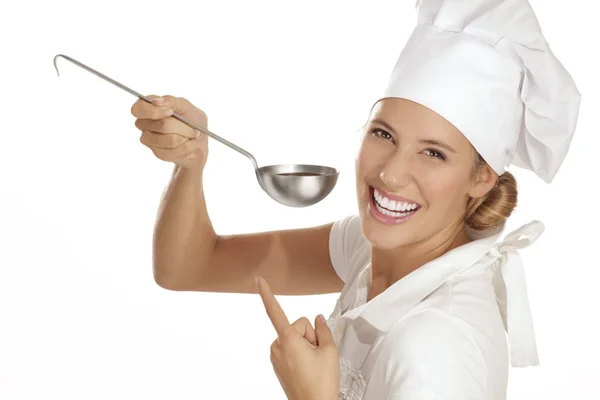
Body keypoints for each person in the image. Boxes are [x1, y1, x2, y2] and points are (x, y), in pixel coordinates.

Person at [131, 0, 581, 398]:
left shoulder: (434, 343)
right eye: (383, 134)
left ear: (482, 177)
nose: (390, 173)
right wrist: (190, 163)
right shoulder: (374, 251)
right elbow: (189, 266)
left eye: (433, 153)